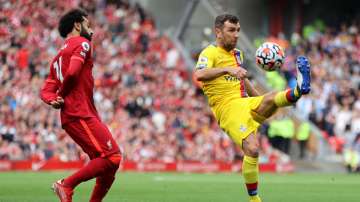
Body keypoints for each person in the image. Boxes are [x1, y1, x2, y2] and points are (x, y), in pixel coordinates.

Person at [194, 14, 311, 202]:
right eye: (231, 30)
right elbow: (199, 74)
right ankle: (254, 199)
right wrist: (227, 69)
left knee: (272, 96)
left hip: (244, 101)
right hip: (227, 109)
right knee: (253, 149)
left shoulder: (237, 54)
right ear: (218, 32)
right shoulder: (210, 53)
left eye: (238, 30)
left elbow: (242, 79)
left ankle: (299, 90)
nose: (236, 34)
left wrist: (261, 99)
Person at [40, 9, 122, 202]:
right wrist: (61, 95)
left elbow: (45, 90)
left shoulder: (56, 59)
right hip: (79, 113)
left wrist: (53, 99)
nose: (91, 30)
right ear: (77, 25)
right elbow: (73, 73)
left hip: (74, 115)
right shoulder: (83, 43)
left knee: (108, 167)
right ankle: (66, 184)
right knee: (113, 157)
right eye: (88, 24)